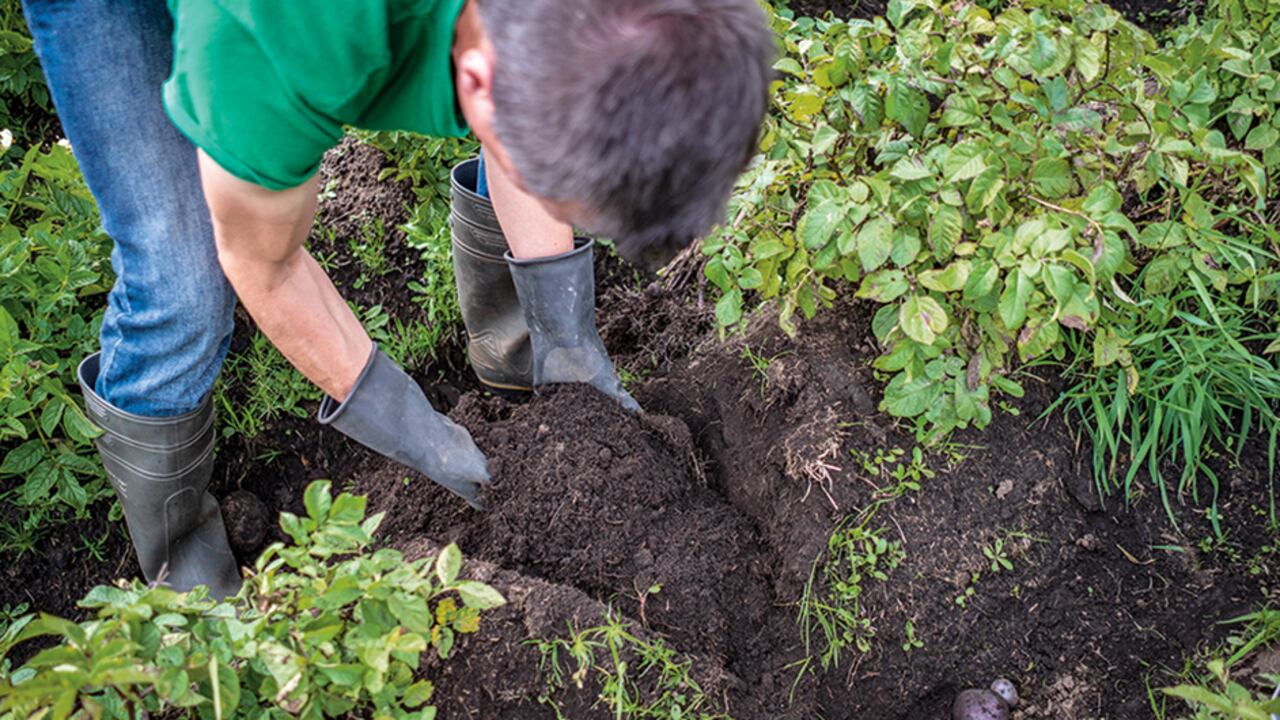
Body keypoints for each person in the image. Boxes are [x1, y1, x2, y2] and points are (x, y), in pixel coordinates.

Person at [21, 0, 774, 599]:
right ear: (474, 81)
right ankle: (185, 583)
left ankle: (530, 361)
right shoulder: (279, 48)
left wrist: (571, 338)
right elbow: (265, 265)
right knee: (181, 281)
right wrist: (420, 434)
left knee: (541, 132)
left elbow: (541, 103)